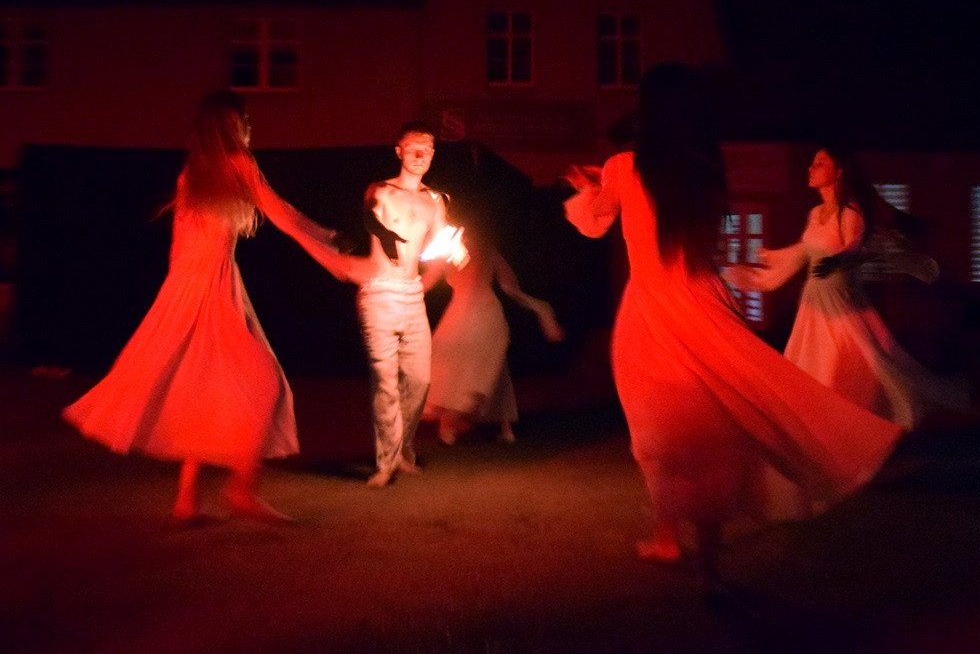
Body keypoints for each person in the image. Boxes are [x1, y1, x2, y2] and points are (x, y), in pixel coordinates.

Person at [562, 64, 902, 588]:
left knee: (660, 425)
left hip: (651, 310)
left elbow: (595, 222)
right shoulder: (703, 172)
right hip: (703, 301)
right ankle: (706, 562)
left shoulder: (624, 166)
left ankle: (669, 535)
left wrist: (589, 187)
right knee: (710, 422)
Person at [62, 90, 350, 524]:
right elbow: (283, 216)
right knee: (266, 383)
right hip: (206, 288)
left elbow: (181, 247)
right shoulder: (237, 166)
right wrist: (332, 250)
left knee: (199, 385)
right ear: (229, 126)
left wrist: (179, 295)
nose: (246, 129)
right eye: (242, 121)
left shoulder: (194, 173)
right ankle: (240, 488)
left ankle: (186, 501)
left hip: (192, 286)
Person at [722, 146, 967, 430]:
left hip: (841, 305)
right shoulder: (815, 214)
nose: (810, 168)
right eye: (812, 162)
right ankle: (822, 429)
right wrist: (771, 257)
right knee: (812, 365)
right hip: (814, 303)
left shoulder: (851, 212)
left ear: (838, 172)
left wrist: (839, 260)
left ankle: (853, 427)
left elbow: (855, 248)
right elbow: (806, 249)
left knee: (864, 365)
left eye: (819, 163)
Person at [356, 121, 468, 488]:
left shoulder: (434, 201)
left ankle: (403, 451)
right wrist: (384, 234)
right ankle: (385, 462)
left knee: (419, 381)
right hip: (379, 293)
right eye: (414, 147)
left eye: (428, 149)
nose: (421, 155)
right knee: (385, 382)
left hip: (411, 293)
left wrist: (456, 250)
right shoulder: (381, 191)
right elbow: (369, 216)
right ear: (398, 150)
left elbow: (441, 243)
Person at [423, 222, 565, 446]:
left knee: (463, 364)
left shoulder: (485, 252)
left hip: (483, 314)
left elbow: (510, 289)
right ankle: (502, 427)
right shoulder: (448, 253)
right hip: (464, 311)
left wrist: (541, 309)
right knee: (490, 367)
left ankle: (450, 426)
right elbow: (426, 282)